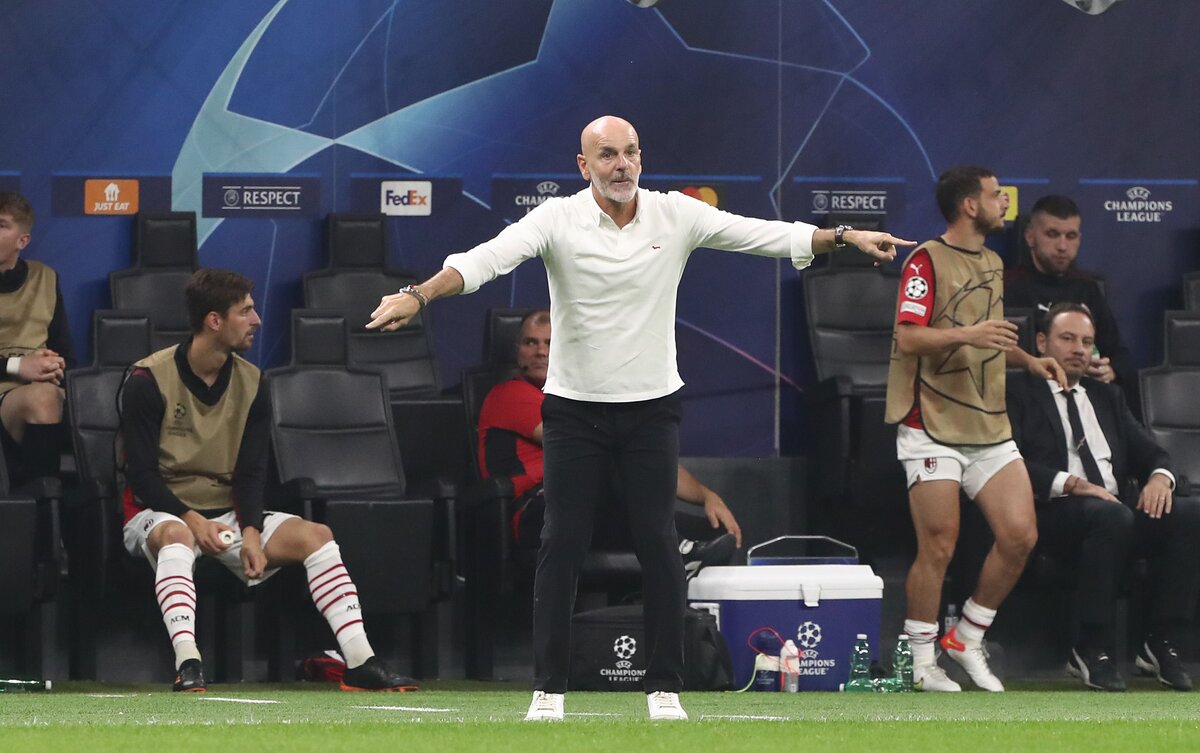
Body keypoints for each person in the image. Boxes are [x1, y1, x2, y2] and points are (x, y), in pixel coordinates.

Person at [368, 115, 912, 721]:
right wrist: (417, 296)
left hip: (652, 410)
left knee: (657, 544)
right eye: (607, 156)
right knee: (561, 544)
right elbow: (482, 262)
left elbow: (763, 234)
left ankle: (664, 688)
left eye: (630, 153)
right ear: (584, 166)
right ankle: (549, 690)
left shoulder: (674, 214)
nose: (621, 165)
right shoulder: (556, 218)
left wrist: (843, 236)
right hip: (574, 412)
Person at [119, 268, 416, 693]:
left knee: (317, 534)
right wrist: (193, 520)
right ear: (214, 321)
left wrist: (253, 533)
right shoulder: (147, 380)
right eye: (245, 311)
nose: (256, 320)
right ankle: (189, 663)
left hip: (225, 513)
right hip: (158, 512)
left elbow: (252, 470)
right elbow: (141, 476)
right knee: (176, 535)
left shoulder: (253, 382)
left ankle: (359, 660)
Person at [885, 166, 1066, 692]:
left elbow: (988, 336)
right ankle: (921, 662)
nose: (1003, 202)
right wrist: (970, 332)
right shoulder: (925, 260)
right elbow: (909, 338)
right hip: (931, 424)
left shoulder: (991, 261)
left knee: (1020, 535)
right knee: (939, 545)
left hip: (988, 422)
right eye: (993, 195)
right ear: (969, 205)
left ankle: (966, 636)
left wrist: (1029, 361)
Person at [1007, 302, 1199, 692]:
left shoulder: (1107, 397)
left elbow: (1155, 455)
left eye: (1087, 342)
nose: (1079, 349)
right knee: (1112, 517)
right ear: (1042, 341)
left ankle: (1160, 643)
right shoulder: (1018, 392)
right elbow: (1009, 461)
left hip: (1113, 512)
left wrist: (1160, 479)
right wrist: (1073, 484)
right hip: (1052, 511)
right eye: (1067, 339)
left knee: (1189, 514)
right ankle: (1090, 647)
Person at [478, 308, 741, 569]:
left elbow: (641, 456)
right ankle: (677, 551)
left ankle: (679, 560)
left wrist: (706, 496)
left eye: (550, 343)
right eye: (530, 342)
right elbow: (581, 449)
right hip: (537, 513)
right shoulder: (510, 394)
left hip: (591, 506)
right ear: (517, 350)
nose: (540, 351)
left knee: (714, 531)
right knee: (611, 462)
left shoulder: (577, 401)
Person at [1004, 194, 1137, 410]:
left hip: (1085, 396)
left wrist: (1111, 370)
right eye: (1053, 234)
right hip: (1028, 401)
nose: (1063, 246)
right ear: (1030, 237)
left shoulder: (1088, 288)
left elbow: (1118, 352)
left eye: (1071, 236)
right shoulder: (1007, 287)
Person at [0, 192, 73, 486]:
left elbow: (68, 354)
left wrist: (53, 367)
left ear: (23, 241)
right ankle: (45, 515)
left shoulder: (46, 277)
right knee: (43, 398)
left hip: (44, 388)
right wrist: (19, 367)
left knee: (49, 394)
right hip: (8, 388)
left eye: (2, 225)